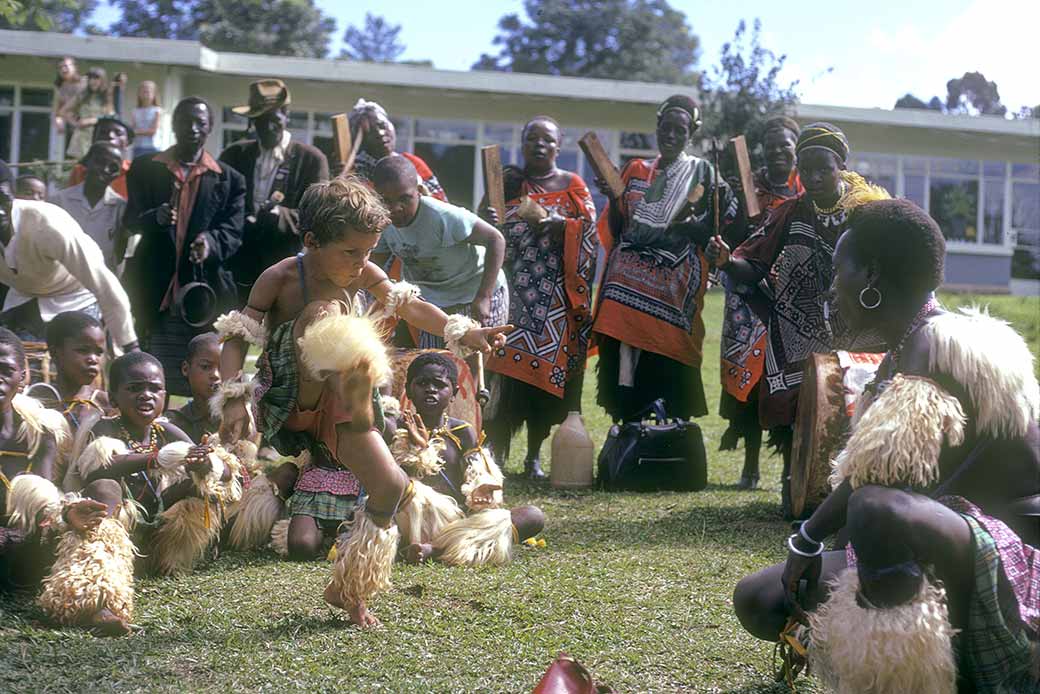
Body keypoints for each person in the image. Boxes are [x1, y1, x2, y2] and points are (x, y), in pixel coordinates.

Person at [732, 199, 1040, 693]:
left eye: (839, 269)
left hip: (1019, 558)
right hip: (953, 540)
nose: (833, 286)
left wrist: (807, 539)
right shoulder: (907, 347)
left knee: (876, 510)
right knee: (760, 598)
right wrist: (815, 545)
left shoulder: (940, 344)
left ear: (871, 274)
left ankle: (915, 678)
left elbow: (878, 480)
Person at [214, 176, 509, 626]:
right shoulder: (280, 279)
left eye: (370, 251)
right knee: (324, 314)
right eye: (350, 252)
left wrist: (461, 330)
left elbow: (409, 307)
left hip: (348, 405)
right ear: (311, 241)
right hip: (294, 399)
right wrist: (234, 395)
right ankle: (359, 396)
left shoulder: (365, 271)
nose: (361, 264)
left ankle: (349, 590)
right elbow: (237, 336)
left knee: (389, 487)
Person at [707, 122, 886, 514]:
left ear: (841, 164)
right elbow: (754, 265)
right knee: (795, 409)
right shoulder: (792, 211)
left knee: (860, 402)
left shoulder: (868, 212)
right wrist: (727, 261)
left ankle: (854, 492)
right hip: (800, 326)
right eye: (806, 169)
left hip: (858, 328)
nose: (815, 176)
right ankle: (795, 485)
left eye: (824, 167)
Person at [593, 94, 737, 425]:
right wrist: (612, 198)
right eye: (666, 128)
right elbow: (617, 227)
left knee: (666, 312)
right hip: (630, 271)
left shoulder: (704, 173)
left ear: (692, 134)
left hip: (677, 272)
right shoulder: (634, 169)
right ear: (657, 128)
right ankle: (626, 414)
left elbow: (727, 222)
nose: (671, 135)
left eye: (680, 130)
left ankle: (670, 418)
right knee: (617, 294)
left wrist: (695, 230)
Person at [479, 116, 599, 479]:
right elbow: (485, 229)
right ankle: (497, 455)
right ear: (523, 142)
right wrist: (485, 217)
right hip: (511, 294)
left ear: (558, 146)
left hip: (555, 303)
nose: (539, 145)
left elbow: (591, 234)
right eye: (532, 138)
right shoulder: (506, 184)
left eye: (547, 140)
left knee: (545, 383)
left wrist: (563, 224)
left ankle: (533, 458)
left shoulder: (573, 185)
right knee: (503, 379)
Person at [0, 328, 136, 635]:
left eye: (5, 370)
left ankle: (97, 605)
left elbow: (46, 501)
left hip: (26, 538)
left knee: (86, 528)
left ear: (22, 375)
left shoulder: (41, 431)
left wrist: (67, 515)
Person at [63, 352, 242, 578]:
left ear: (164, 396)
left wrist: (205, 464)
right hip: (121, 527)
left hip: (157, 527)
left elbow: (225, 474)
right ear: (114, 398)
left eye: (154, 389)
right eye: (135, 388)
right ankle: (102, 567)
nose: (146, 395)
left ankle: (171, 562)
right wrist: (156, 459)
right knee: (105, 487)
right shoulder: (104, 428)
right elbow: (98, 469)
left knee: (201, 488)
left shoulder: (166, 431)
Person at [123, 97, 246, 397]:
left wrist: (211, 242)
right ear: (173, 125)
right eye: (185, 121)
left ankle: (202, 440)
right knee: (148, 375)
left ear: (210, 129)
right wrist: (156, 217)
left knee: (205, 379)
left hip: (204, 293)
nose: (192, 129)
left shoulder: (229, 180)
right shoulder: (144, 168)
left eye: (200, 123)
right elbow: (131, 220)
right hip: (153, 288)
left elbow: (233, 231)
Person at [719, 116, 804, 490]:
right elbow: (730, 235)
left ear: (796, 149)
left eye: (784, 145)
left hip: (790, 298)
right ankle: (750, 467)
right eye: (770, 147)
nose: (777, 152)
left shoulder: (806, 195)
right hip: (748, 296)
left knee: (784, 379)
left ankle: (788, 468)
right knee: (750, 379)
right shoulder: (747, 190)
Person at [370, 155, 507, 349]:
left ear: (418, 192)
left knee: (474, 363)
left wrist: (483, 297)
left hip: (473, 291)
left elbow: (496, 239)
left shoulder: (442, 217)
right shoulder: (381, 222)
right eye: (386, 201)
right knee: (434, 364)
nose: (395, 208)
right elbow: (375, 263)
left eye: (404, 199)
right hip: (433, 302)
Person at [0, 160, 137, 351]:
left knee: (73, 360)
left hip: (76, 294)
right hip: (23, 296)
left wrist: (130, 347)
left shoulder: (46, 223)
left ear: (13, 196)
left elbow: (104, 285)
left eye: (3, 199)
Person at [220, 79, 330, 306]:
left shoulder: (311, 159)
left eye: (274, 120)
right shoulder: (234, 155)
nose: (267, 128)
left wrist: (280, 216)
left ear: (286, 116)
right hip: (239, 266)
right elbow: (220, 204)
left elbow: (319, 217)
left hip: (287, 268)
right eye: (260, 121)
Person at [344, 99, 447, 201]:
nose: (380, 133)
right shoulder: (356, 171)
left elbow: (442, 202)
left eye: (382, 125)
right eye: (369, 131)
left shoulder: (413, 162)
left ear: (391, 125)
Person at [53, 141, 127, 270]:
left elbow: (118, 256)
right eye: (99, 162)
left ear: (118, 172)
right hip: (63, 278)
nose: (105, 169)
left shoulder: (120, 207)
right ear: (87, 163)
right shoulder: (59, 201)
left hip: (100, 280)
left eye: (113, 166)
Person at [44, 310, 111, 430]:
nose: (93, 359)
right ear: (55, 353)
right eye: (83, 350)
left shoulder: (107, 405)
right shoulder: (38, 402)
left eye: (99, 352)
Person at [165, 333, 222, 445]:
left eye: (223, 368)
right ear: (186, 369)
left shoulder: (239, 420)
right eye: (206, 367)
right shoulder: (174, 422)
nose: (216, 375)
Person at [66, 117, 134, 199]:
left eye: (118, 133)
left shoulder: (135, 173)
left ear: (128, 142)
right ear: (94, 139)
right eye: (103, 132)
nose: (110, 136)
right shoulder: (80, 171)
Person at [62, 67, 112, 161]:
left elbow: (110, 117)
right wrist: (75, 123)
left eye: (96, 78)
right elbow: (64, 111)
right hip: (82, 138)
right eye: (91, 78)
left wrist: (94, 120)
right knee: (81, 167)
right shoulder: (82, 96)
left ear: (102, 80)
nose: (93, 81)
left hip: (99, 137)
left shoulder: (106, 98)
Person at [52, 57, 84, 156]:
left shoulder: (84, 83)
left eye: (66, 66)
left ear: (75, 68)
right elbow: (58, 111)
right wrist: (59, 122)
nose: (63, 69)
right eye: (61, 67)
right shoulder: (61, 88)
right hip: (73, 127)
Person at [131, 81, 162, 160]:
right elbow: (132, 129)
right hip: (138, 147)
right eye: (143, 92)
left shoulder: (157, 111)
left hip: (152, 147)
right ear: (139, 94)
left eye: (148, 92)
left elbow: (153, 131)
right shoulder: (135, 111)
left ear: (154, 94)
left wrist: (136, 132)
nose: (145, 95)